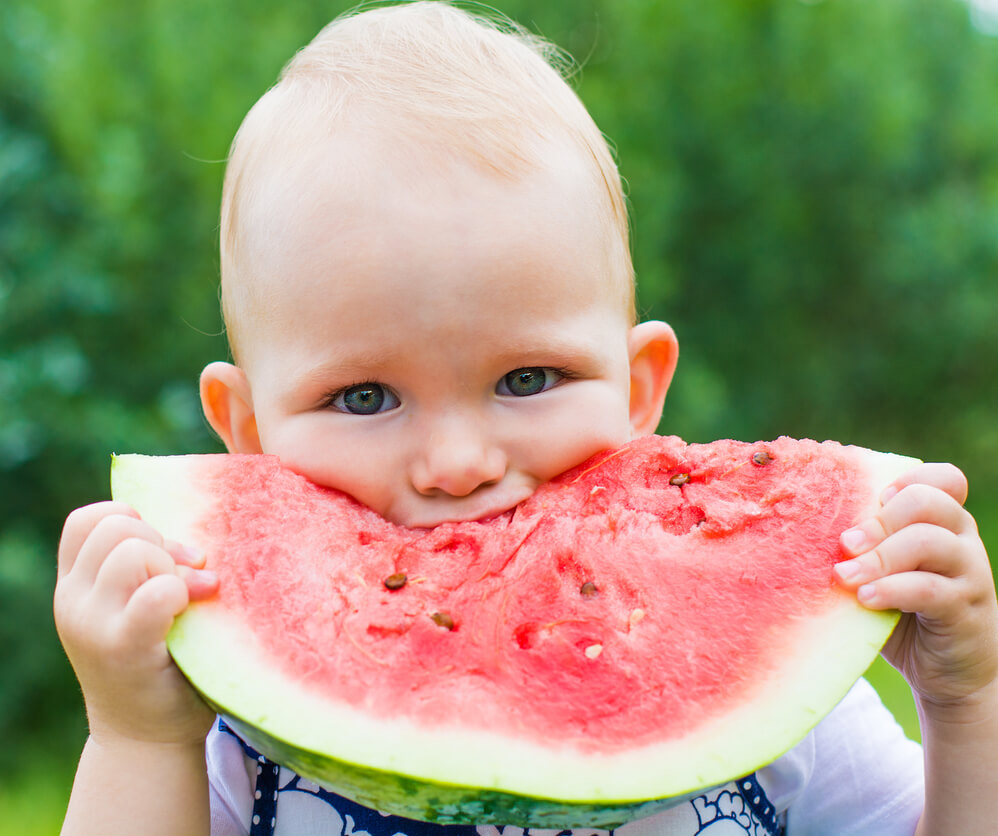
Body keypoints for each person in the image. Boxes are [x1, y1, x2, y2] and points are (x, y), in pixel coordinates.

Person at [53, 3, 998, 834]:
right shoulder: (234, 735)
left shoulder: (804, 713)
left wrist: (966, 704)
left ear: (637, 387)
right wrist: (137, 734)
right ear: (247, 429)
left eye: (529, 377)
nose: (458, 463)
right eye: (364, 397)